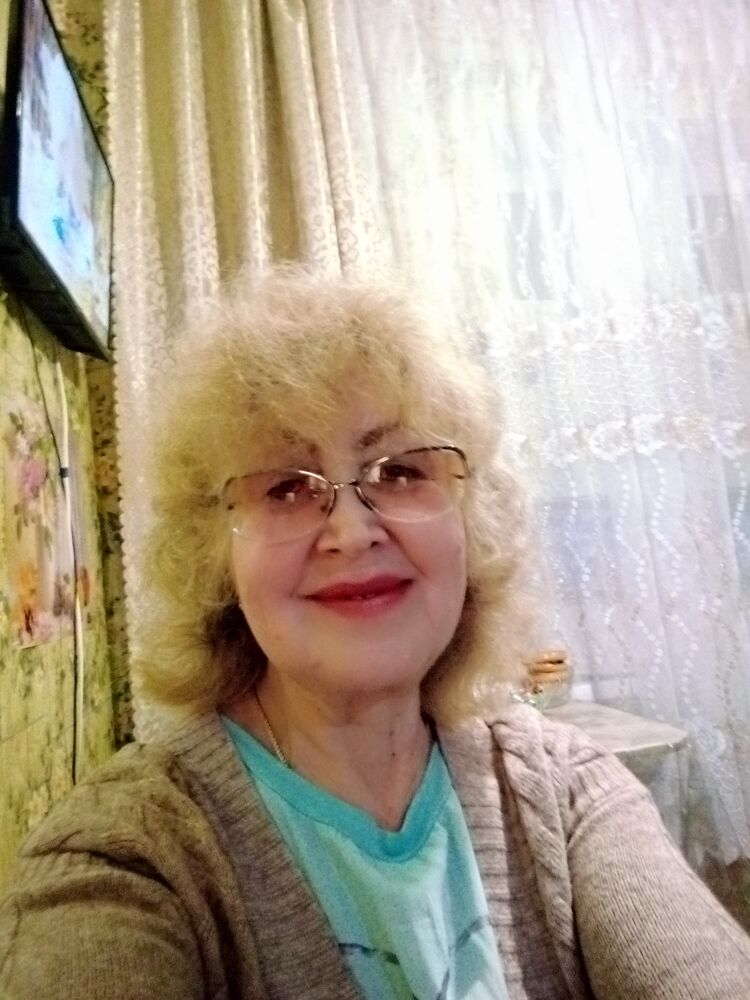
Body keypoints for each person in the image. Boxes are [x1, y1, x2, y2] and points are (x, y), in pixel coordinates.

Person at [1, 269, 749, 1000]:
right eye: (286, 487)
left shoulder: (566, 793)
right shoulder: (125, 856)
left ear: (471, 524)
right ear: (214, 554)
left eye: (400, 472)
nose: (352, 531)